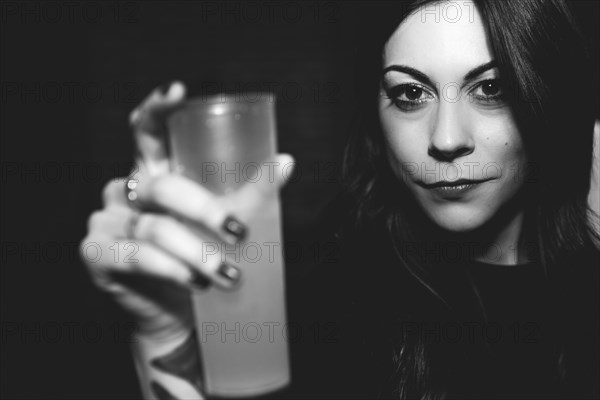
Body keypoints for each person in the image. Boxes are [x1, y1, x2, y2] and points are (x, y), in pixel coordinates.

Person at [81, 0, 600, 398]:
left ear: (547, 94)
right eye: (410, 94)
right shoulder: (326, 300)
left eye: (492, 88)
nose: (446, 138)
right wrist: (162, 330)